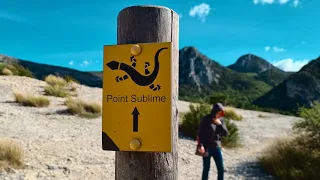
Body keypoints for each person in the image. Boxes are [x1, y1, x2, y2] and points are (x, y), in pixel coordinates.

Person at [196, 103, 228, 180]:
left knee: (220, 168)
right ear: (214, 111)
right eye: (218, 113)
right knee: (206, 168)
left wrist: (220, 125)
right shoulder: (206, 119)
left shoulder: (221, 120)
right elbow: (200, 133)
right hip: (206, 147)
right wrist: (200, 145)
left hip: (216, 148)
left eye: (221, 113)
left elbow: (226, 133)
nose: (219, 115)